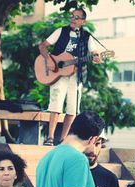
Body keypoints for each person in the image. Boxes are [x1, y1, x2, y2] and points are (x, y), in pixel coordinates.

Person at [38, 8, 101, 146]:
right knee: (56, 104)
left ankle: (63, 140)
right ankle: (50, 138)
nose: (73, 19)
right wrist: (48, 59)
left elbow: (94, 52)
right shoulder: (61, 31)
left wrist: (96, 57)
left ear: (83, 21)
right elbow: (43, 46)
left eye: (77, 17)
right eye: (72, 16)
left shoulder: (87, 37)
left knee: (72, 108)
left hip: (76, 75)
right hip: (58, 73)